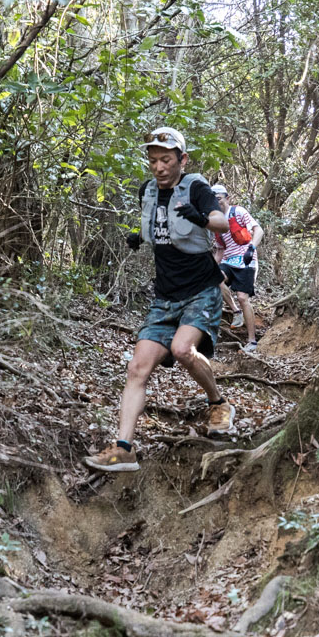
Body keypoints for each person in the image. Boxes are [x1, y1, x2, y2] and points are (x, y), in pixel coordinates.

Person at [85, 127, 235, 473]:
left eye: (166, 159)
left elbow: (221, 222)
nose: (159, 167)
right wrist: (139, 237)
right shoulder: (147, 191)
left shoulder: (196, 188)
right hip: (165, 296)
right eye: (153, 160)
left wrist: (201, 218)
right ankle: (124, 450)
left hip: (200, 290)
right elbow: (158, 224)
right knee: (137, 367)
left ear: (182, 159)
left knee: (183, 349)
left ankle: (219, 403)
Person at [211, 183, 263, 353]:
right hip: (229, 260)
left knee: (242, 297)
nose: (216, 202)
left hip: (246, 259)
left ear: (227, 198)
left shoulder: (238, 212)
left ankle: (252, 341)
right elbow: (220, 250)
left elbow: (258, 230)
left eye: (219, 198)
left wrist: (252, 248)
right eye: (213, 200)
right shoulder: (216, 222)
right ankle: (236, 311)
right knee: (214, 278)